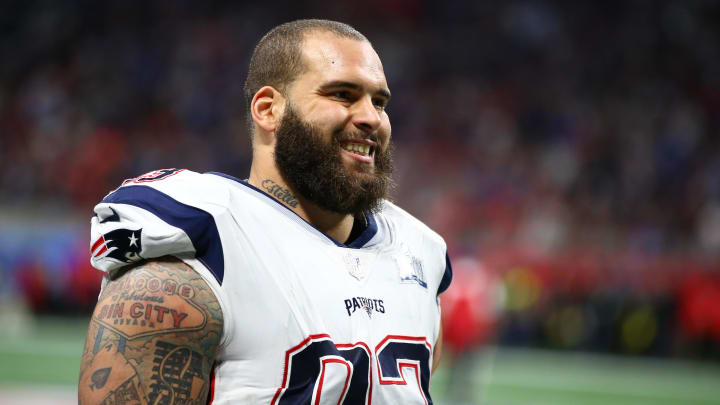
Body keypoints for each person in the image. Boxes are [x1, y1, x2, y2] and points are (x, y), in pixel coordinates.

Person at [78, 19, 452, 405]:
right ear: (269, 109)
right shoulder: (198, 252)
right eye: (343, 94)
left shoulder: (418, 252)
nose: (371, 117)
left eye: (379, 102)